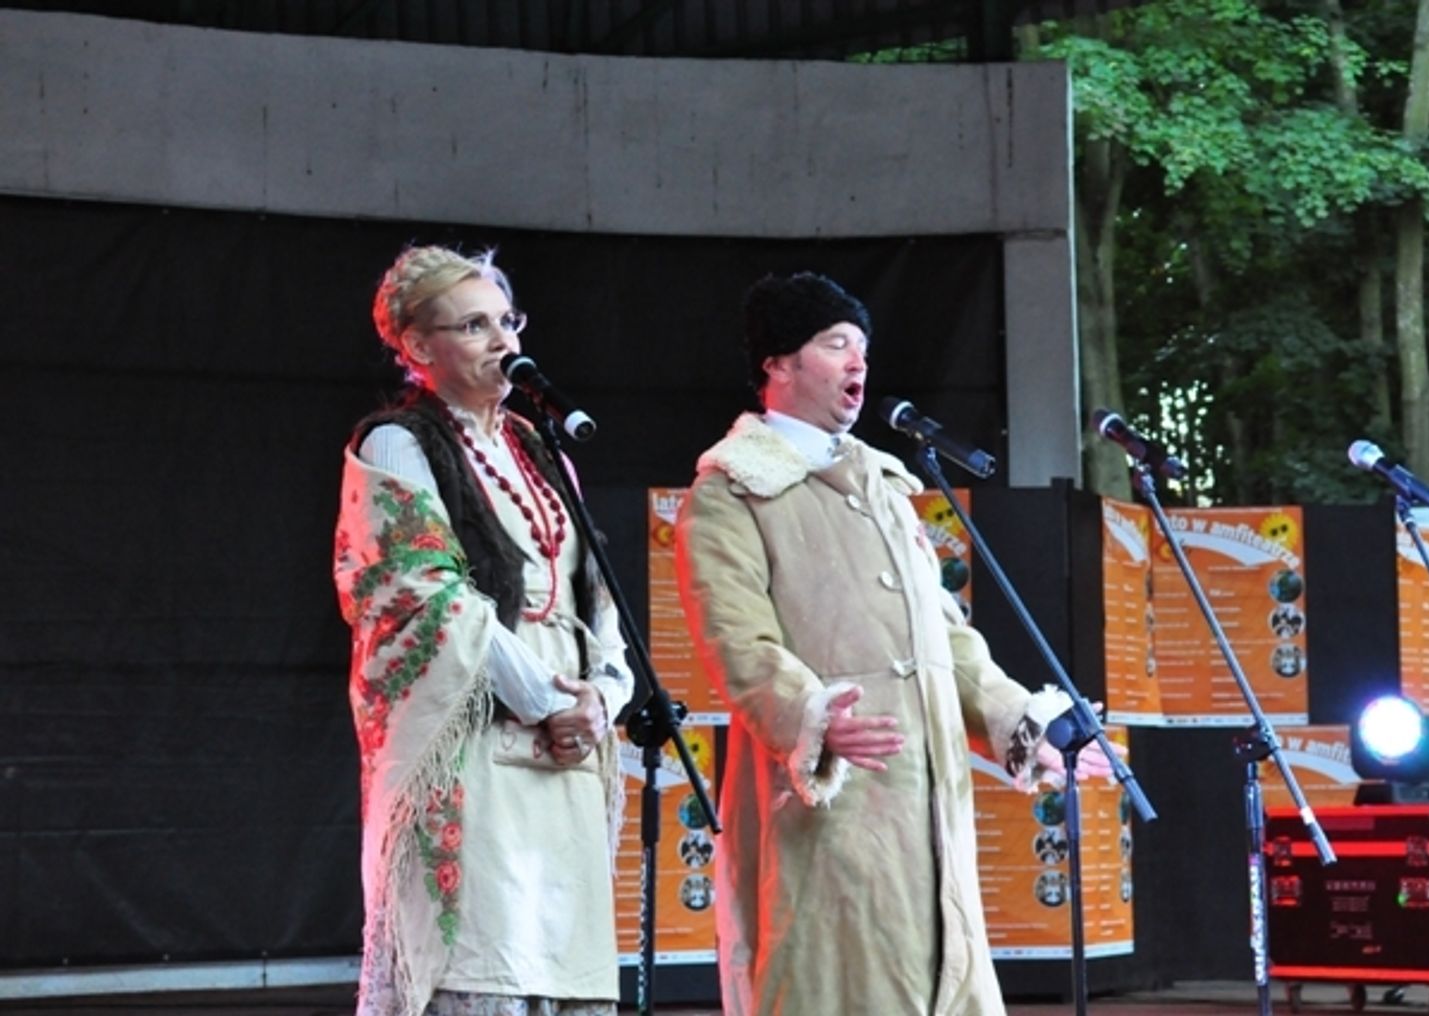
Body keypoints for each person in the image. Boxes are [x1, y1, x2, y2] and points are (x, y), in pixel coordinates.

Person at [674, 272, 1112, 1015]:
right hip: (830, 809)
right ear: (778, 364)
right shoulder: (732, 490)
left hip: (929, 805)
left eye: (863, 348)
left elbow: (947, 640)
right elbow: (736, 640)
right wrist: (812, 716)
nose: (858, 363)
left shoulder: (884, 486)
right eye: (834, 344)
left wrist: (1022, 723)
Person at [333, 245, 634, 1016]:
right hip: (477, 753)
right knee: (481, 974)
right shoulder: (398, 443)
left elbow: (594, 592)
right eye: (474, 325)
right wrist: (546, 701)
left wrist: (602, 699)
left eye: (508, 321)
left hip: (565, 754)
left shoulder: (537, 448)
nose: (503, 340)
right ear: (416, 346)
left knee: (565, 977)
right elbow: (428, 597)